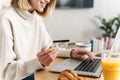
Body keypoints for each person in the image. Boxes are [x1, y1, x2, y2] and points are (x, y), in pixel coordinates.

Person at [0, 0, 93, 80]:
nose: (48, 1)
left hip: (35, 74)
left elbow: (48, 49)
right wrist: (38, 62)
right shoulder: (6, 18)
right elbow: (5, 72)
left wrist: (71, 53)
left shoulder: (36, 17)